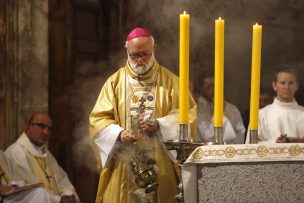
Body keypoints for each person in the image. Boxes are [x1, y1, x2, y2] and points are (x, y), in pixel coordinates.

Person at [89, 27, 196, 203]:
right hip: (124, 163)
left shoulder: (172, 82)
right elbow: (98, 119)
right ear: (127, 51)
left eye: (145, 54)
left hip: (160, 163)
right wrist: (118, 133)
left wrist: (161, 124)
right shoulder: (114, 83)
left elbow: (188, 115)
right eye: (134, 55)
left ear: (154, 49)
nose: (140, 60)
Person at [5, 112, 80, 203]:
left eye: (49, 129)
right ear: (28, 127)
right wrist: (59, 200)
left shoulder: (46, 154)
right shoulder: (16, 153)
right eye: (41, 126)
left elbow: (63, 180)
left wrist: (67, 194)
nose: (46, 132)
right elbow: (31, 191)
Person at [248, 67, 304, 143]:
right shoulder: (261, 115)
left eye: (291, 83)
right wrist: (274, 142)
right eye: (282, 83)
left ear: (296, 86)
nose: (286, 87)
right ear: (274, 85)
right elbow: (250, 147)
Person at [196, 69, 245, 144]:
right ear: (201, 88)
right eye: (209, 87)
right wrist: (219, 111)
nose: (213, 89)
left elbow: (240, 131)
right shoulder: (198, 109)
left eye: (216, 85)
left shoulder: (231, 108)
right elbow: (206, 136)